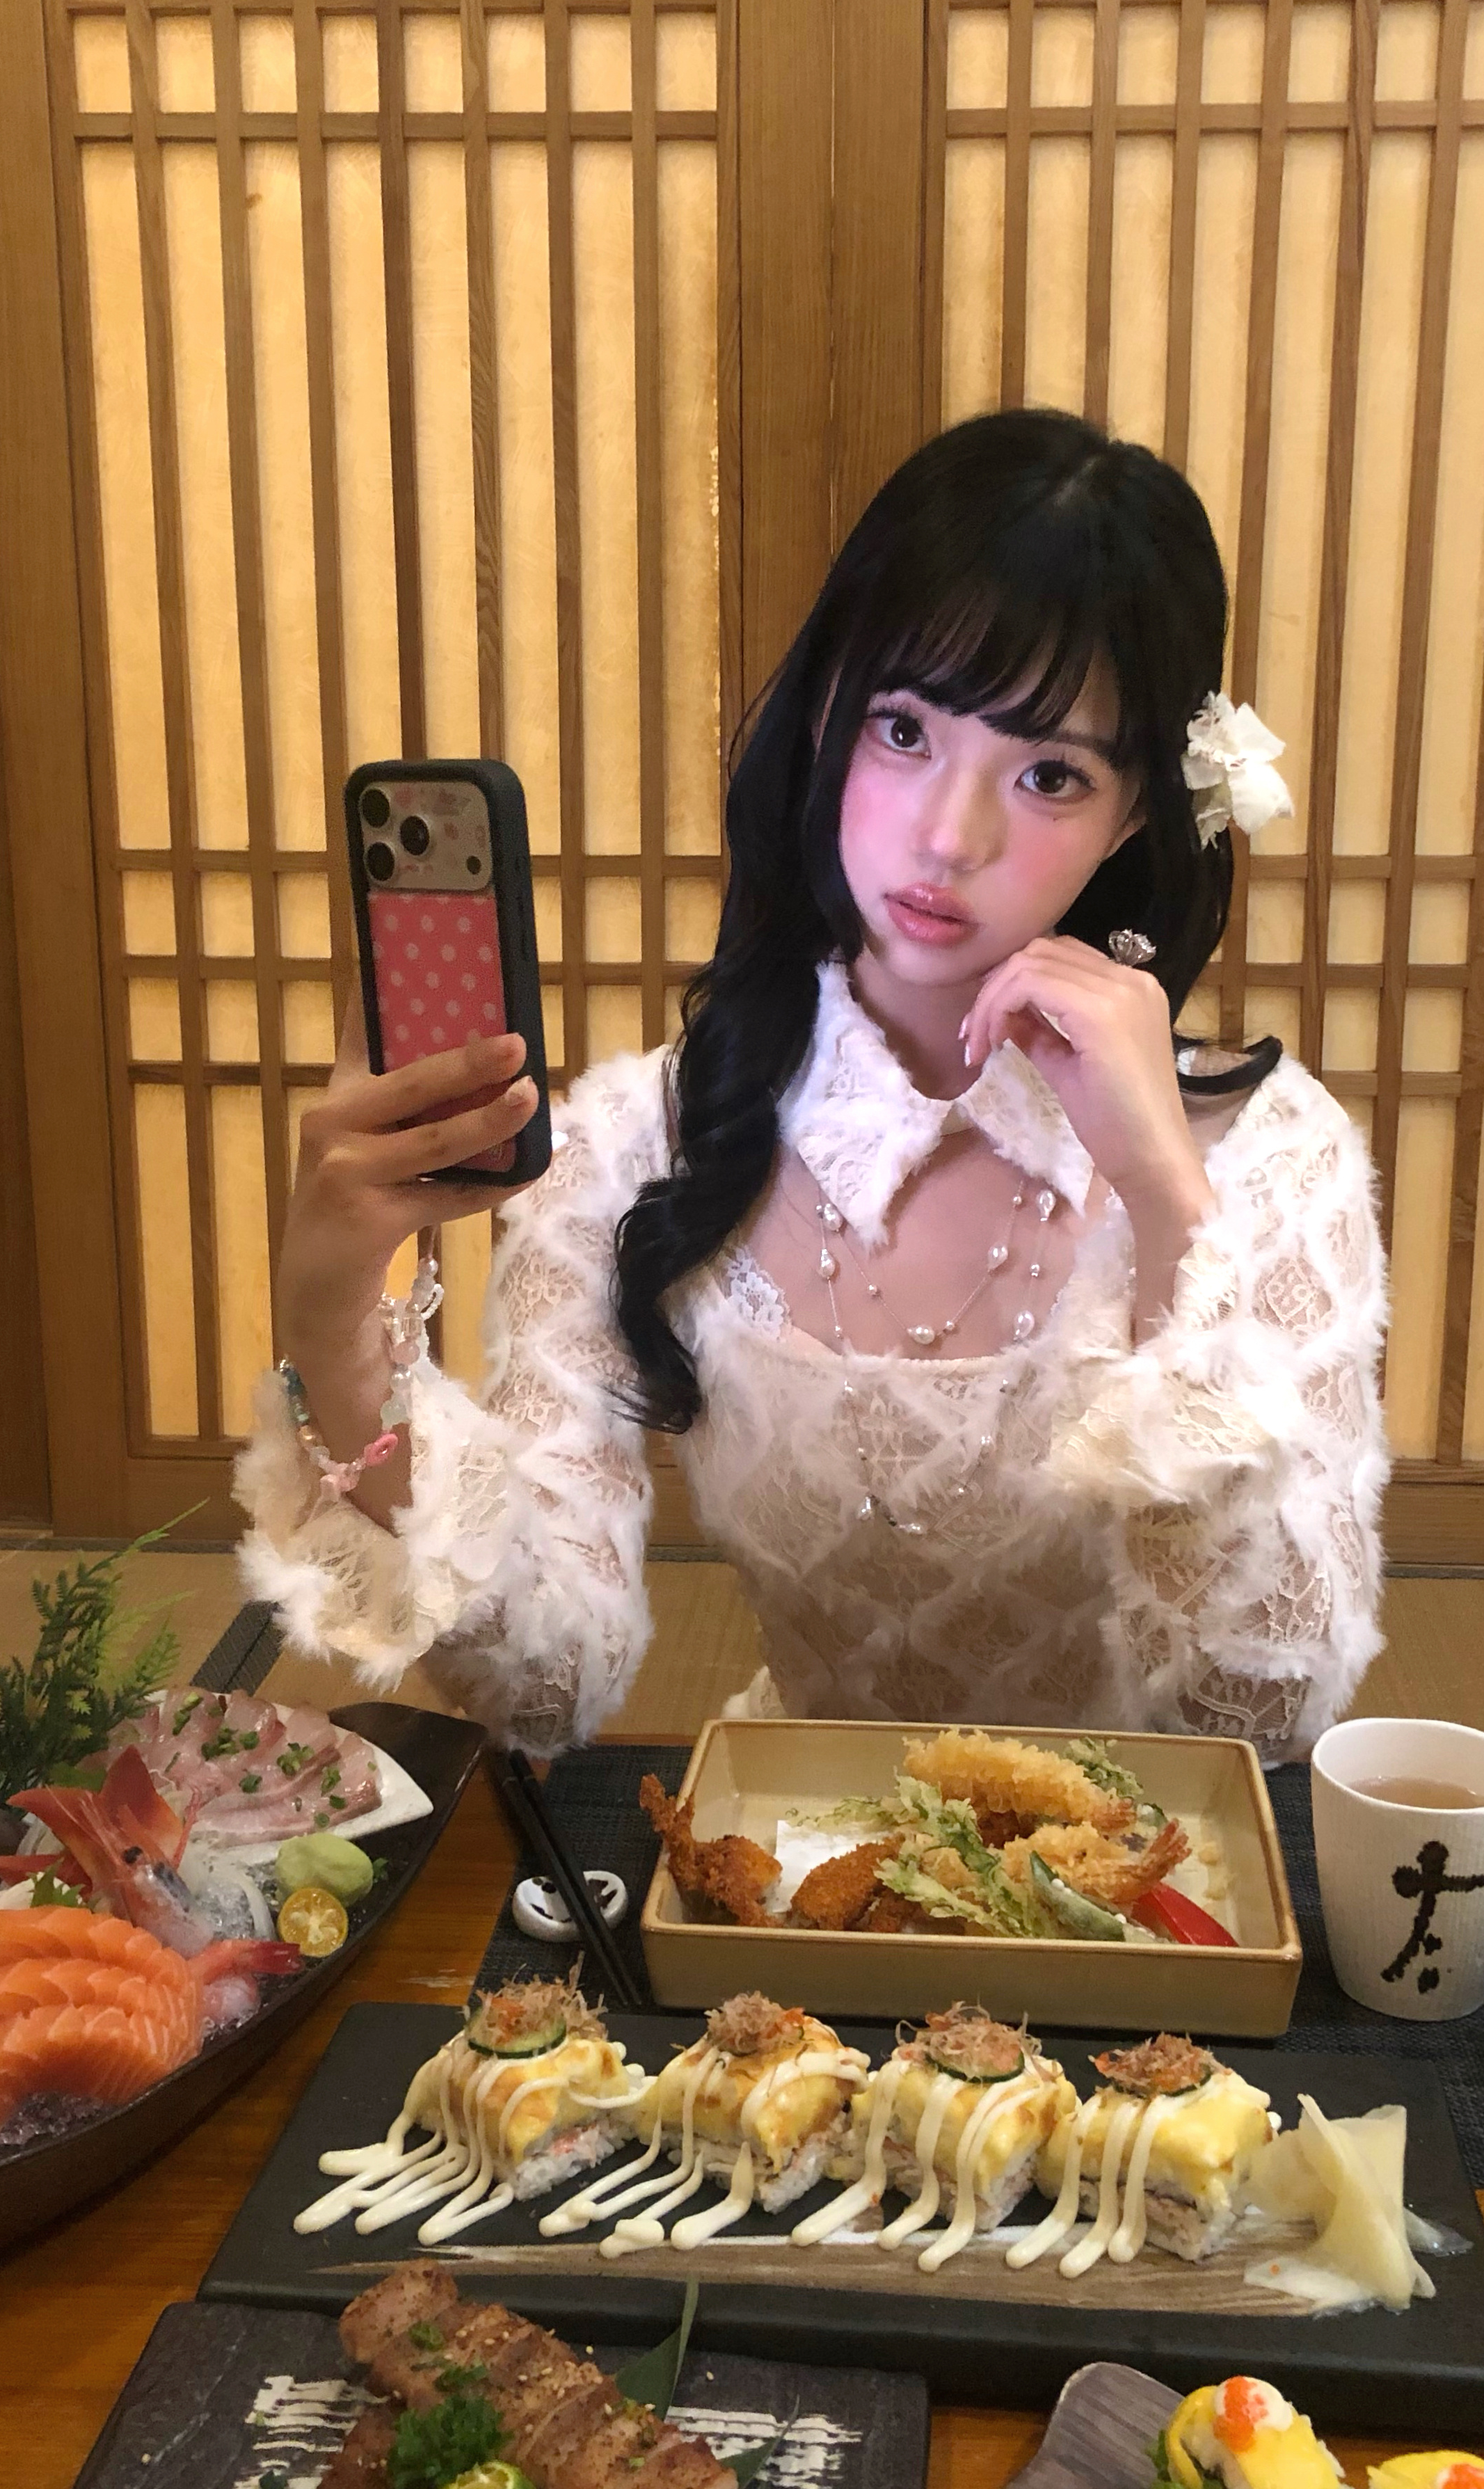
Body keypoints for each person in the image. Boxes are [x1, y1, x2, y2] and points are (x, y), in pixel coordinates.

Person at [239, 409, 1389, 1765]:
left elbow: (1263, 1713)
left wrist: (1167, 1207)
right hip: (786, 1860)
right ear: (830, 720)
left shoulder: (1266, 1156)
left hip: (1145, 1874)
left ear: (1139, 812)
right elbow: (547, 1681)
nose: (949, 836)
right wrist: (333, 1329)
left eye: (1050, 773)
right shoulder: (643, 1142)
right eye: (903, 729)